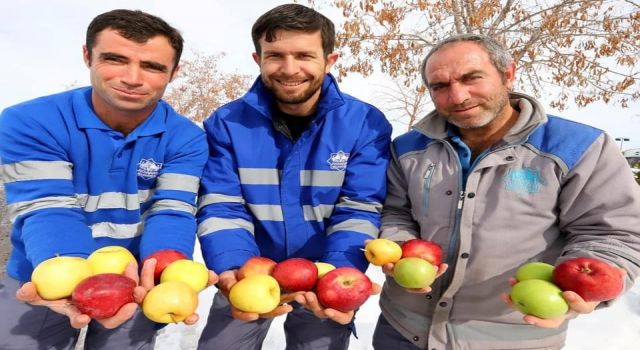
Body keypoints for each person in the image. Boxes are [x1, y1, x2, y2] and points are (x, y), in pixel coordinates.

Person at [373, 33, 640, 350]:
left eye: (472, 78)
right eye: (440, 86)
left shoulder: (579, 147)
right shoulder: (408, 149)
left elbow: (613, 233)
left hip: (513, 336)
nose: (458, 96)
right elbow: (396, 211)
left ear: (508, 74)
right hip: (403, 330)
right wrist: (402, 249)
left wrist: (579, 285)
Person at [0, 9, 212, 350]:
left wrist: (162, 274)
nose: (132, 78)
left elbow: (172, 209)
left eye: (153, 66)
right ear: (87, 56)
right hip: (45, 272)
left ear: (174, 72)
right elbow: (47, 206)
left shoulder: (187, 138)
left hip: (138, 280)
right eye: (115, 59)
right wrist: (77, 282)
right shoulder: (28, 121)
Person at [196, 3, 392, 349]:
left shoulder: (365, 124)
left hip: (326, 272)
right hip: (247, 268)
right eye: (275, 56)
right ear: (258, 59)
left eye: (304, 55)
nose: (290, 69)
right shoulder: (227, 124)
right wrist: (236, 270)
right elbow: (222, 205)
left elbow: (359, 208)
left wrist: (335, 273)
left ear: (329, 60)